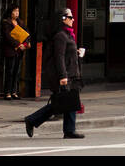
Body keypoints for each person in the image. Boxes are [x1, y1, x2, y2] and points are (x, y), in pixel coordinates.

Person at [24, 9, 83, 139]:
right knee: (60, 103)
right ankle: (32, 120)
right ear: (63, 19)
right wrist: (63, 76)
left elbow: (66, 54)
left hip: (71, 73)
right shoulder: (60, 36)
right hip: (65, 75)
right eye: (70, 17)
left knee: (69, 102)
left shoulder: (68, 34)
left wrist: (76, 52)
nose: (73, 19)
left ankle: (69, 130)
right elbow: (59, 57)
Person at [1, 5, 31, 100]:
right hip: (11, 50)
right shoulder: (6, 23)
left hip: (19, 51)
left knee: (17, 71)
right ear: (10, 12)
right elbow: (8, 36)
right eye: (15, 11)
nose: (17, 13)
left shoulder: (20, 22)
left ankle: (14, 91)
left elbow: (27, 34)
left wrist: (25, 44)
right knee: (10, 71)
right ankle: (7, 92)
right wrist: (18, 44)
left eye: (18, 11)